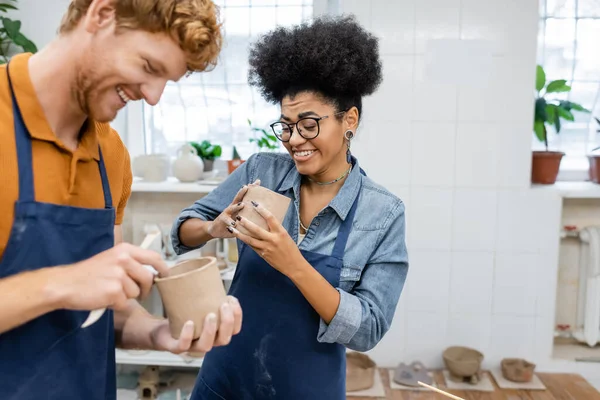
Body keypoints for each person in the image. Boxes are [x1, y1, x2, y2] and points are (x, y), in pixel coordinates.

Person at [0, 1, 242, 399]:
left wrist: (160, 333)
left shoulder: (110, 155)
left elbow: (100, 309)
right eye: (149, 67)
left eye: (168, 81)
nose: (152, 97)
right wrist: (61, 284)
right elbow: (74, 288)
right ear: (102, 14)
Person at [171, 14, 409, 399]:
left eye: (309, 124)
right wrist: (213, 227)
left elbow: (369, 329)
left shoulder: (381, 214)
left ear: (349, 120)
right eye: (285, 125)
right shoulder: (262, 171)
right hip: (226, 380)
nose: (294, 139)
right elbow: (184, 228)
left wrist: (293, 264)